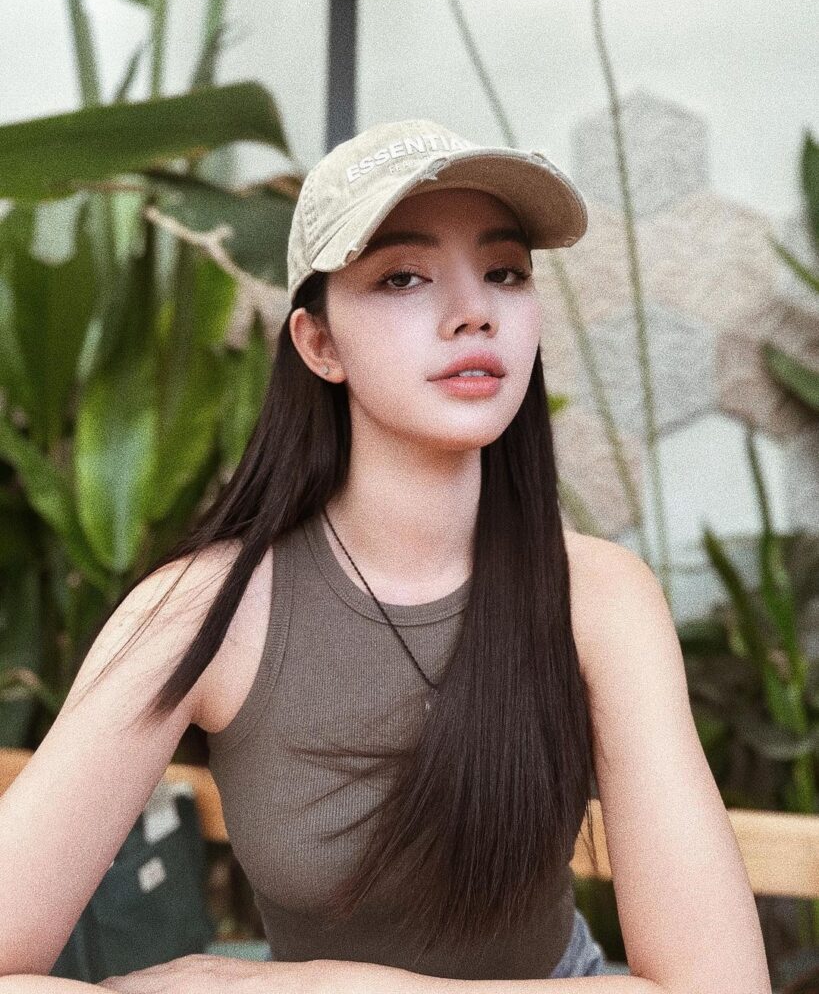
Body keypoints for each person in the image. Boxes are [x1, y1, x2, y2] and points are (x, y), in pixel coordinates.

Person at [0, 119, 772, 993]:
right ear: (318, 344)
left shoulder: (597, 595)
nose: (475, 310)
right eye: (402, 276)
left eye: (504, 272)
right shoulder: (201, 611)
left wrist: (315, 986)